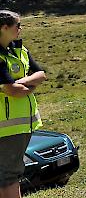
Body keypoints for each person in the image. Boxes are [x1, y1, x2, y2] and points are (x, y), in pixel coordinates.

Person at [0, 11, 46, 198]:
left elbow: (41, 74)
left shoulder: (19, 50)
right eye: (17, 25)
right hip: (6, 128)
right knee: (9, 176)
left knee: (8, 176)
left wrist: (23, 82)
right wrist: (27, 84)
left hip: (19, 127)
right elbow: (13, 91)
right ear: (4, 28)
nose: (20, 29)